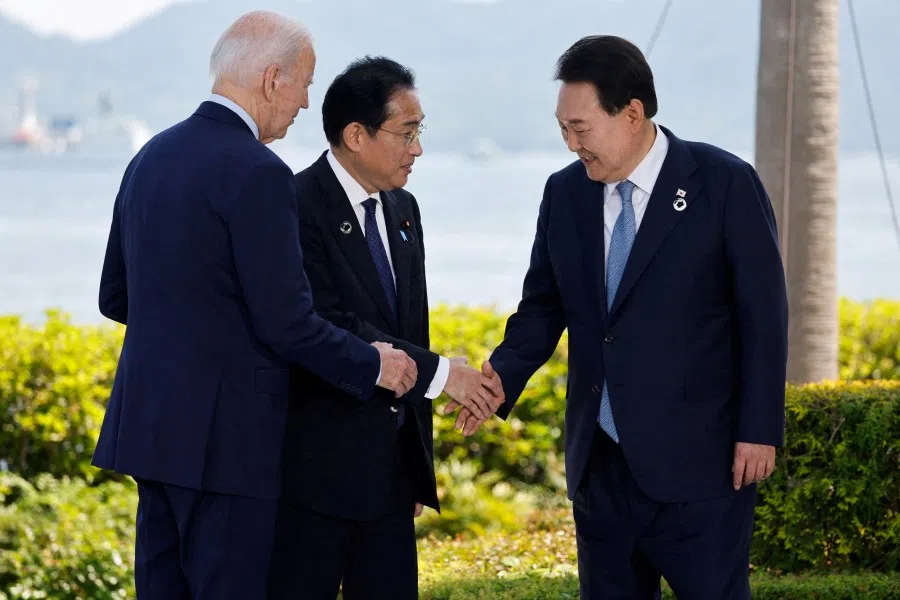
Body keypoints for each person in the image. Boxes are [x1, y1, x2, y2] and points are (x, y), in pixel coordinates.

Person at [91, 12, 419, 600]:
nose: (304, 102)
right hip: (230, 442)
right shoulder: (259, 171)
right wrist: (375, 364)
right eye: (304, 83)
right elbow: (286, 322)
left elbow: (115, 296)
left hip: (152, 430)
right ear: (273, 80)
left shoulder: (150, 157)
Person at [450, 35, 788, 599]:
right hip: (601, 471)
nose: (570, 144)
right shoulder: (564, 195)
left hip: (700, 469)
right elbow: (542, 306)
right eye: (562, 129)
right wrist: (498, 381)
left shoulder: (723, 182)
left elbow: (764, 316)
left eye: (580, 128)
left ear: (632, 114)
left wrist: (758, 431)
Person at [266, 56, 503, 600]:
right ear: (356, 134)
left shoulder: (403, 208)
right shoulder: (294, 204)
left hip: (391, 475)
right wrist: (445, 376)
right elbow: (328, 322)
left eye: (420, 131)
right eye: (406, 133)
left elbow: (407, 325)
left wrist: (416, 465)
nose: (417, 148)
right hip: (313, 479)